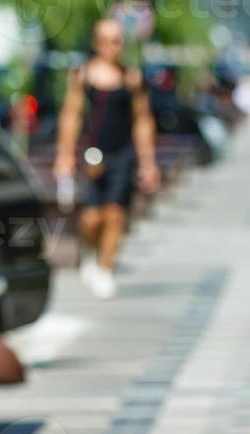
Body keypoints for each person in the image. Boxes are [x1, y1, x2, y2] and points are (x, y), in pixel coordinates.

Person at [54, 18, 160, 299]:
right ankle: (92, 253)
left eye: (117, 40)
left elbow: (142, 119)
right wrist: (64, 155)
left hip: (123, 154)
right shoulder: (83, 77)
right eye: (106, 40)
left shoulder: (131, 79)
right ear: (96, 43)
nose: (112, 46)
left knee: (114, 215)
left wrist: (148, 160)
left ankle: (105, 268)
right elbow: (71, 116)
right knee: (90, 219)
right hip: (92, 156)